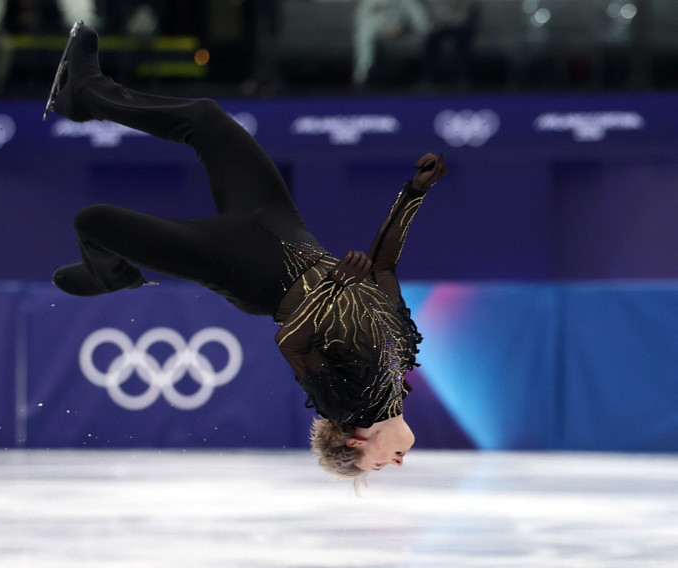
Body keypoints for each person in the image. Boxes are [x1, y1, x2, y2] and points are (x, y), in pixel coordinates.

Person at [44, 22, 447, 487]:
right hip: (281, 225)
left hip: (249, 271)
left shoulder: (345, 404)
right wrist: (413, 194)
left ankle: (109, 275)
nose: (396, 462)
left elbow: (289, 341)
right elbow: (382, 269)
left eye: (379, 465)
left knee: (94, 221)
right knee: (206, 117)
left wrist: (333, 287)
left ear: (357, 442)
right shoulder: (398, 374)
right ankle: (86, 94)